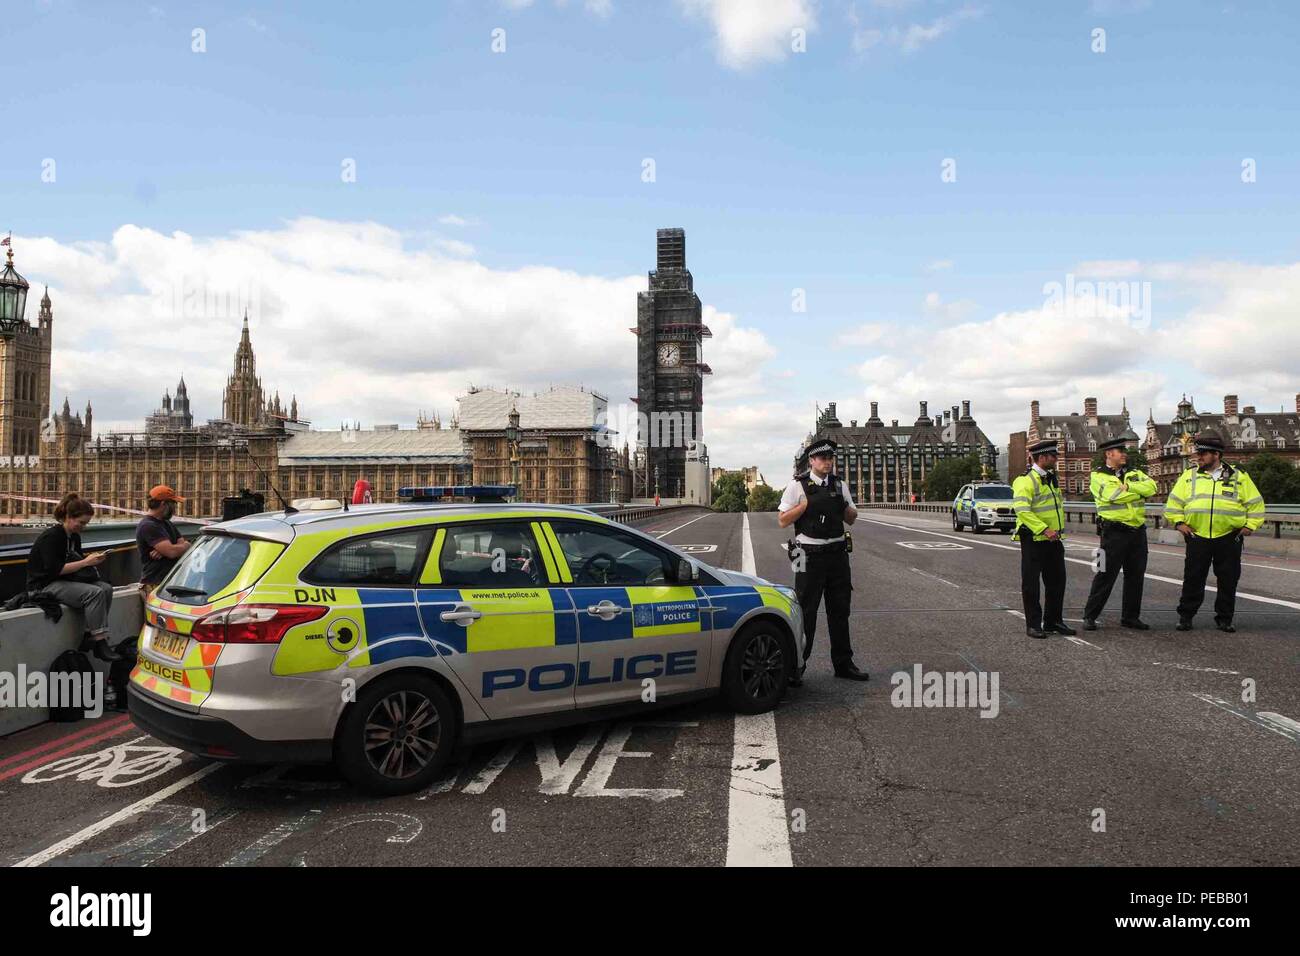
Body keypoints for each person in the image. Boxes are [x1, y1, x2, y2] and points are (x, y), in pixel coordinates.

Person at [777, 438, 869, 683]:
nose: (827, 462)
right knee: (806, 612)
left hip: (837, 554)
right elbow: (783, 520)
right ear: (811, 461)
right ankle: (798, 666)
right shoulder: (797, 486)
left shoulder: (840, 485)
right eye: (822, 458)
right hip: (807, 555)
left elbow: (851, 518)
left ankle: (843, 664)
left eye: (830, 458)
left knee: (840, 611)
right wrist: (804, 506)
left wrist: (847, 508)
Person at [1164, 430, 1266, 632]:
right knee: (1193, 579)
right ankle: (1186, 617)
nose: (1198, 457)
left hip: (1229, 536)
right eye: (1197, 453)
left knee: (1228, 580)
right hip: (1197, 535)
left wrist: (1249, 527)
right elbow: (1173, 503)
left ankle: (1225, 619)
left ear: (1217, 455)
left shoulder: (1239, 477)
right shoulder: (1188, 476)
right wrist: (1178, 523)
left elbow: (1256, 504)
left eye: (1203, 453)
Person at [26, 492, 120, 661]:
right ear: (68, 516)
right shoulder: (52, 537)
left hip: (64, 581)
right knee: (94, 593)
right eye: (81, 522)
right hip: (44, 585)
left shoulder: (74, 537)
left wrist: (91, 560)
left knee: (106, 589)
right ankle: (100, 642)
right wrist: (85, 563)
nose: (83, 527)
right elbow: (55, 570)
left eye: (86, 524)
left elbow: (75, 561)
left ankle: (88, 635)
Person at [1083, 433, 1157, 631]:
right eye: (1121, 451)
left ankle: (1131, 617)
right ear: (1109, 454)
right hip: (1112, 533)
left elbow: (1152, 488)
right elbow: (1112, 496)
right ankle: (1090, 615)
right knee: (1104, 573)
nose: (1125, 454)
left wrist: (1129, 486)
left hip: (1137, 532)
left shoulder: (1134, 473)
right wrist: (1134, 491)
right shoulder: (1098, 475)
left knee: (1136, 575)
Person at [1012, 439, 1075, 639]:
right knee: (1031, 584)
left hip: (1054, 540)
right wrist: (1044, 529)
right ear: (1042, 457)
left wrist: (1054, 532)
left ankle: (1053, 621)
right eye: (1053, 456)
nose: (1056, 459)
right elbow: (1022, 510)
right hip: (1034, 539)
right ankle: (1033, 625)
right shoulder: (1025, 480)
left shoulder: (1051, 478)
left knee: (1057, 582)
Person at [136, 485, 191, 595]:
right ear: (163, 504)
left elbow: (182, 545)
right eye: (173, 504)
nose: (175, 508)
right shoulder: (148, 526)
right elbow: (172, 552)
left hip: (169, 581)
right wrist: (179, 547)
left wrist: (170, 548)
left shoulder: (167, 523)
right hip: (155, 584)